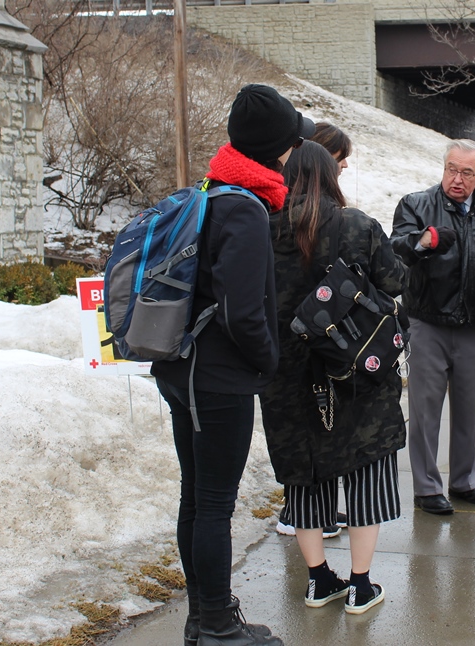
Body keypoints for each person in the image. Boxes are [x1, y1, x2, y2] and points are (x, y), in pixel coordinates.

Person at [152, 84, 314, 646]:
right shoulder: (244, 212)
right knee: (214, 503)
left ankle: (205, 618)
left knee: (195, 496)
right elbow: (244, 314)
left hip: (182, 369)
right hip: (215, 380)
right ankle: (217, 624)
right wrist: (267, 364)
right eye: (293, 144)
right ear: (276, 151)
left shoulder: (212, 192)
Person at [259, 140, 407, 615]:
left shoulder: (264, 230)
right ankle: (362, 585)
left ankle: (320, 580)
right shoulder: (357, 225)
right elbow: (395, 281)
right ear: (332, 177)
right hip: (356, 370)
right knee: (367, 466)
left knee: (304, 476)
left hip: (289, 377)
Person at [390, 139, 475, 515]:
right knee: (425, 408)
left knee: (469, 406)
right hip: (428, 321)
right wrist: (425, 241)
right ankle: (426, 487)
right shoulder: (416, 204)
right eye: (451, 169)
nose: (457, 179)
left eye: (467, 172)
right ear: (443, 168)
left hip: (474, 323)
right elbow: (396, 249)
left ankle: (465, 481)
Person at [274, 121, 354, 540]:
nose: (342, 170)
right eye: (338, 162)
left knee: (298, 426)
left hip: (283, 349)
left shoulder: (269, 218)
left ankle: (308, 512)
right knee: (315, 426)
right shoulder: (335, 222)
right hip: (318, 345)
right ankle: (300, 512)